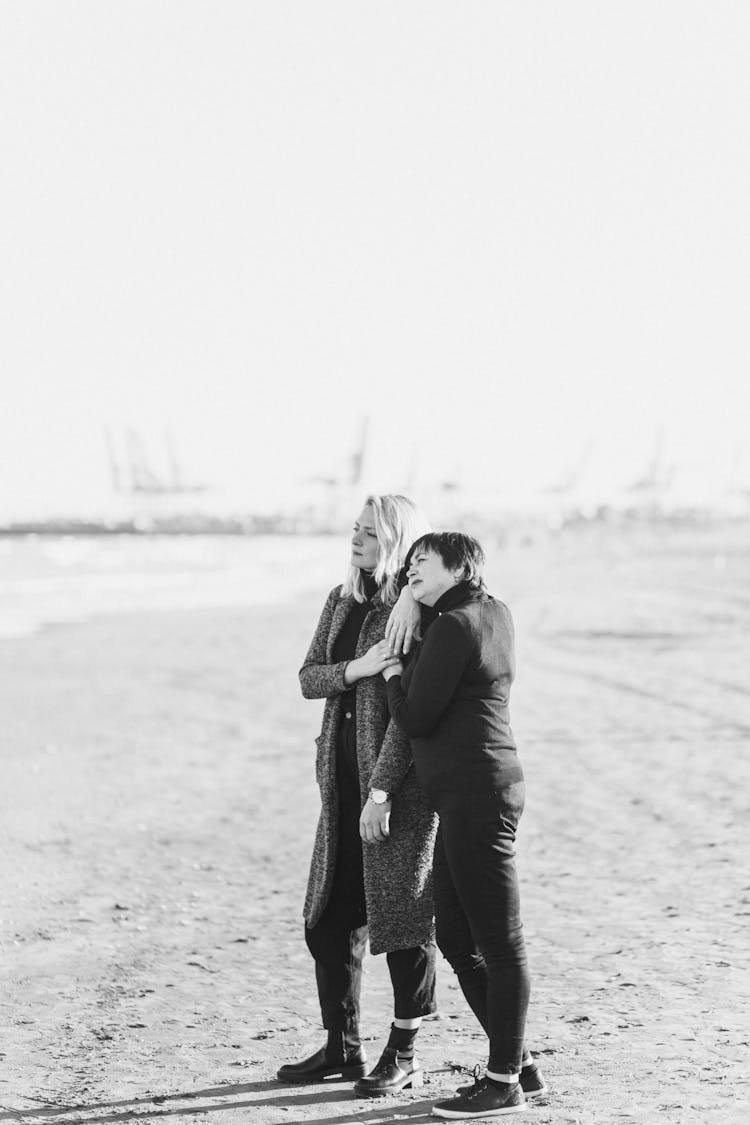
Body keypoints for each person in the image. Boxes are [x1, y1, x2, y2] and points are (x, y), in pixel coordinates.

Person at [276, 495, 439, 1097]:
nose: (357, 538)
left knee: (402, 922)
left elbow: (409, 715)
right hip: (340, 786)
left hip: (396, 791)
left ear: (396, 538)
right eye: (355, 528)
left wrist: (384, 790)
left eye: (370, 531)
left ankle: (405, 1051)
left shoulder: (415, 610)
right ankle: (342, 1047)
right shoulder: (341, 599)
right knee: (329, 919)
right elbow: (307, 678)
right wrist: (360, 666)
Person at [383, 531, 546, 1118]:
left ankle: (503, 1081)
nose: (409, 573)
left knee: (501, 943)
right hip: (474, 793)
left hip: (478, 795)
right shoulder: (491, 611)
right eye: (407, 567)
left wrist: (392, 673)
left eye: (420, 564)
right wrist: (412, 602)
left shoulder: (454, 627)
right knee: (454, 934)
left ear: (458, 566)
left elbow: (418, 717)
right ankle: (519, 1065)